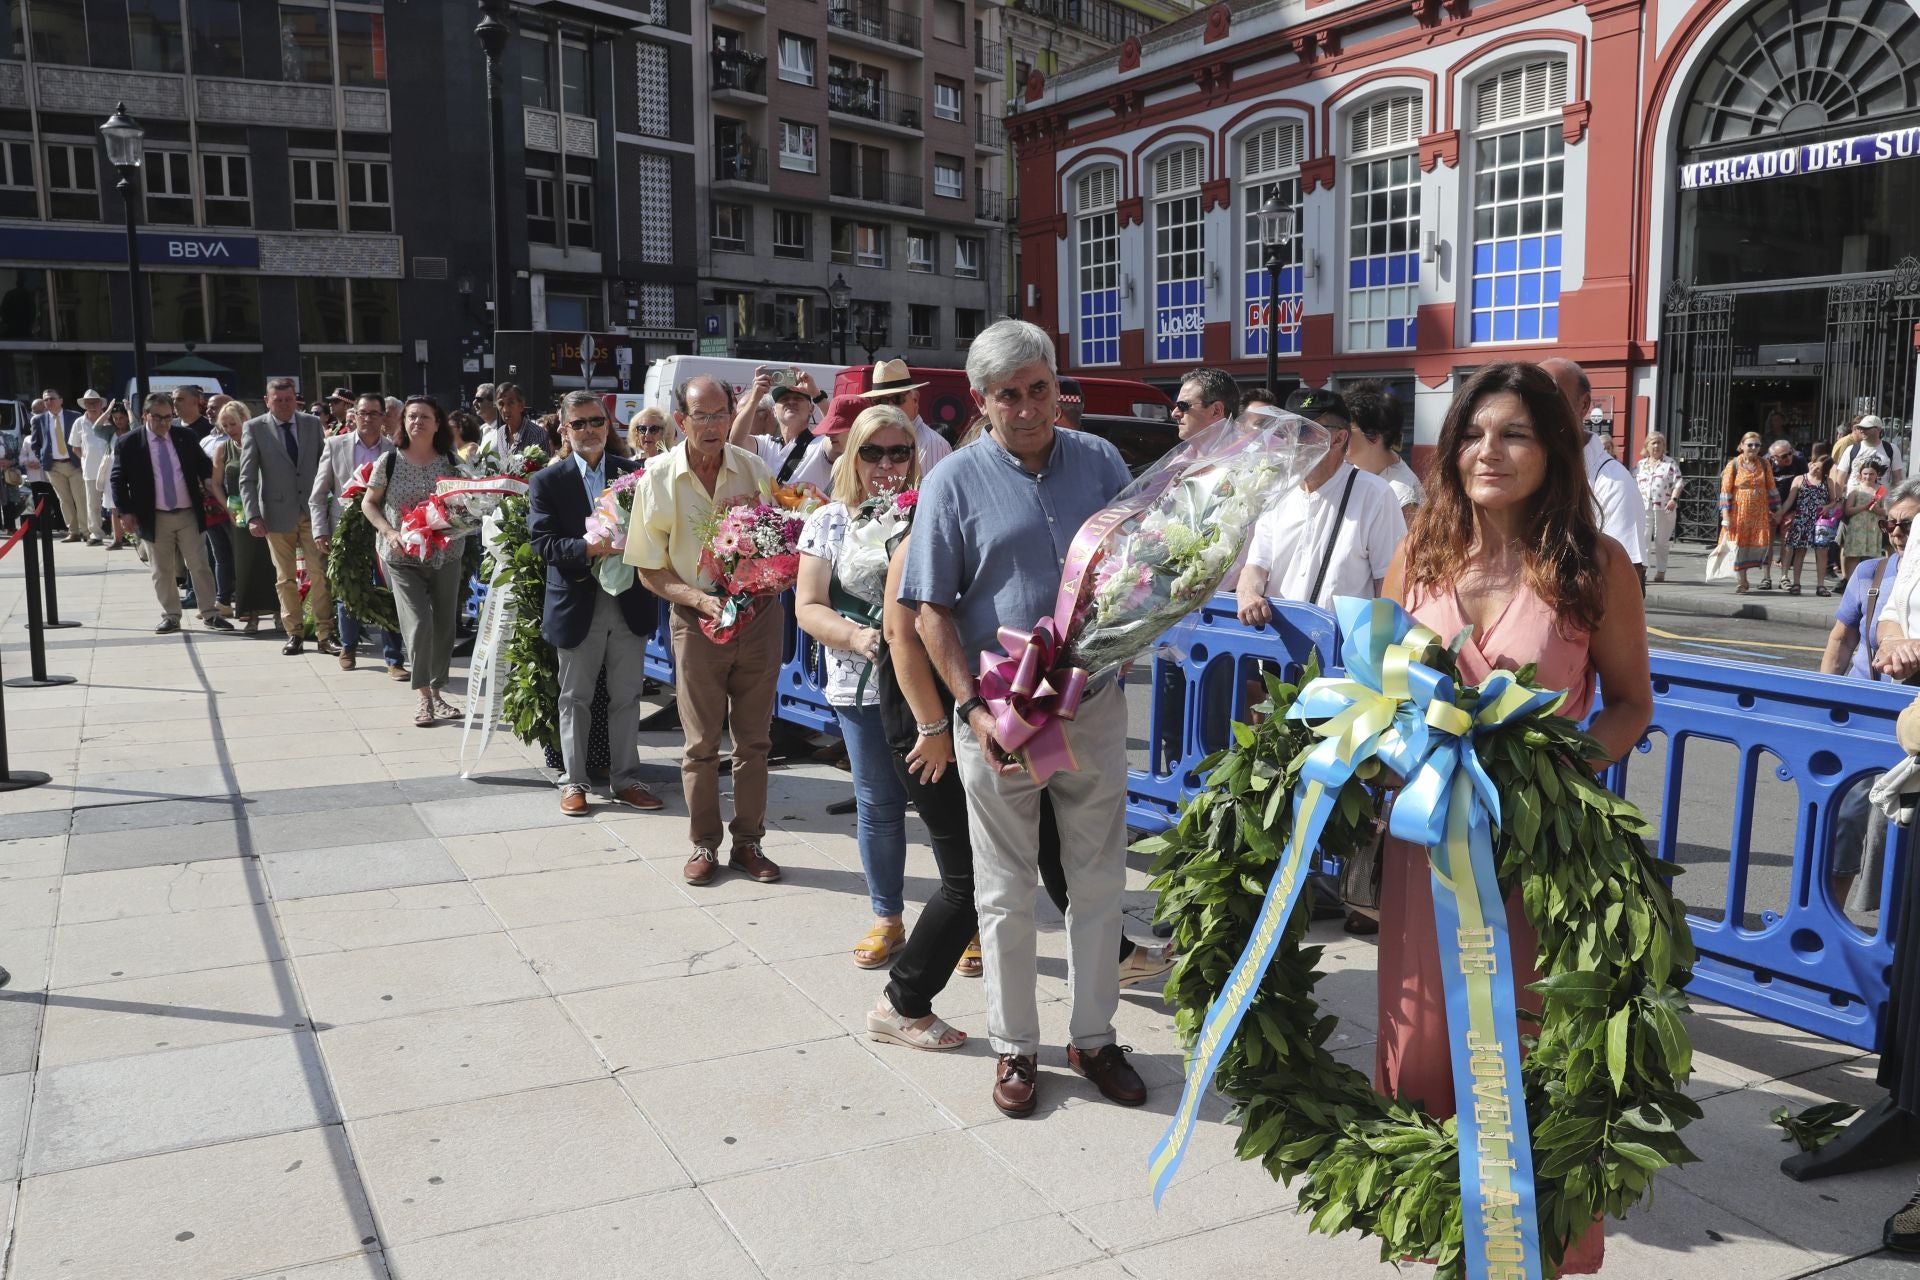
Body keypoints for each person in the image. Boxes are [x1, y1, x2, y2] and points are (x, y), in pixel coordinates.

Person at [1380, 361, 1651, 1275]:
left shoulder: (1594, 565)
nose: (1487, 452)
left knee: (1530, 1049)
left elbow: (1629, 704)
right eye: (1472, 433)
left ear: (1554, 451)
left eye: (1514, 435)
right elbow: (1376, 688)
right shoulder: (1418, 552)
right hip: (1429, 851)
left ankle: (1539, 1251)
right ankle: (1442, 1235)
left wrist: (1560, 769)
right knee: (1424, 1047)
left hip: (1541, 856)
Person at [899, 318, 1147, 1118]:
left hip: (1094, 707)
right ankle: (1014, 1048)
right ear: (982, 400)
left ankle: (1095, 1036)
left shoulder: (1103, 461)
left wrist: (1137, 632)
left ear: (1055, 384)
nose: (1030, 408)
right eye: (1010, 396)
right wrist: (967, 711)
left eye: (1041, 389)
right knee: (1003, 889)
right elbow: (931, 609)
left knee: (1099, 879)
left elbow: (1140, 569)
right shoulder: (953, 481)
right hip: (1000, 717)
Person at [625, 375, 784, 887]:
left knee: (755, 741)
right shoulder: (657, 478)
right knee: (699, 744)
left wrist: (769, 578)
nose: (714, 426)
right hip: (695, 621)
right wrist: (700, 600)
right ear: (681, 420)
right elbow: (649, 567)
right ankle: (702, 844)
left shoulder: (752, 468)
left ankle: (749, 842)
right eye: (702, 416)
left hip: (758, 617)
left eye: (721, 414)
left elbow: (777, 537)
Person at [795, 405, 922, 965]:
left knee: (955, 804)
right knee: (878, 803)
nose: (886, 464)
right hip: (862, 680)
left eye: (899, 452)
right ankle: (886, 917)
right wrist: (856, 637)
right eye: (873, 452)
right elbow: (807, 607)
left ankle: (966, 917)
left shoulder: (930, 512)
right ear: (853, 457)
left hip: (929, 680)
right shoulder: (828, 521)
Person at [528, 390, 665, 816]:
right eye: (580, 424)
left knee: (626, 697)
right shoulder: (548, 481)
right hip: (577, 602)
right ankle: (574, 780)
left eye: (597, 422)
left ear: (609, 427)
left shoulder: (635, 474)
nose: (589, 430)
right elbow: (542, 544)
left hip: (628, 601)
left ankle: (626, 779)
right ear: (565, 431)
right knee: (575, 697)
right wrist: (590, 548)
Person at [1815, 480, 1920, 913]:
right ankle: (1830, 927)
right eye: (1887, 524)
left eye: (1907, 524)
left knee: (1895, 837)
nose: (1896, 533)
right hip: (1865, 717)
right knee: (1844, 825)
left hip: (1909, 725)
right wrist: (1827, 700)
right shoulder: (1869, 574)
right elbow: (1840, 642)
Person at [1237, 386, 1406, 621]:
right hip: (1278, 646)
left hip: (1341, 649)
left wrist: (1375, 649)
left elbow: (1389, 585)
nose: (1294, 440)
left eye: (1305, 431)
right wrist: (1247, 595)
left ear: (1338, 438)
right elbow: (1255, 566)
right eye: (1288, 431)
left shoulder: (1374, 494)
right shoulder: (1278, 490)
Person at [362, 398, 467, 726]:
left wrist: (457, 520)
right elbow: (369, 503)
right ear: (403, 423)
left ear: (438, 424)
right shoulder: (389, 460)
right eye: (411, 416)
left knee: (445, 626)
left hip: (446, 555)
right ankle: (423, 697)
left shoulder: (451, 462)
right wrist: (389, 531)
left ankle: (438, 692)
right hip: (402, 556)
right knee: (420, 623)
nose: (417, 421)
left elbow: (466, 504)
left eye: (425, 416)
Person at [110, 392, 236, 635]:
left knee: (199, 564)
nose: (164, 423)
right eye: (158, 418)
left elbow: (203, 467)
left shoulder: (184, 437)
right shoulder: (129, 442)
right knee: (162, 569)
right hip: (154, 515)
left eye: (168, 417)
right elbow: (117, 479)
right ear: (145, 415)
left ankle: (210, 613)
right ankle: (171, 616)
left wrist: (213, 486)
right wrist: (125, 512)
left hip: (188, 512)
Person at [241, 377, 340, 657]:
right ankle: (294, 633)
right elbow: (247, 478)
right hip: (275, 513)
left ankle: (325, 633)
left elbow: (325, 466)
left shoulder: (310, 424)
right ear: (267, 400)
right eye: (278, 400)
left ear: (295, 399)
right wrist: (253, 515)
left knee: (320, 574)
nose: (284, 405)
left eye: (288, 400)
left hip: (312, 511)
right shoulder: (255, 428)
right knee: (285, 578)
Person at [312, 392, 405, 674]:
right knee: (347, 591)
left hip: (383, 530)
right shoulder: (335, 445)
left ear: (383, 417)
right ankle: (348, 647)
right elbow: (319, 493)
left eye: (374, 414)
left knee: (390, 590)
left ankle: (394, 659)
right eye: (362, 413)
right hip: (346, 531)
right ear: (353, 416)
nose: (367, 419)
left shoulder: (395, 450)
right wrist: (320, 530)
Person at [1541, 359, 1648, 587]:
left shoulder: (1614, 482)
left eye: (1555, 394)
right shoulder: (1524, 467)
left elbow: (1624, 578)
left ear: (1584, 404)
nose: (1542, 406)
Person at [208, 400, 280, 635]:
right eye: (225, 425)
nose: (230, 429)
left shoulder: (262, 442)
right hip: (239, 510)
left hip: (267, 506)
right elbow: (214, 482)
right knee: (245, 564)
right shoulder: (223, 448)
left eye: (234, 423)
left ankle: (281, 613)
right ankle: (251, 615)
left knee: (274, 562)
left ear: (245, 420)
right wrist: (226, 504)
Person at [1343, 379, 1423, 517]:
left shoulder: (1402, 497)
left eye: (1348, 429)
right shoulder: (1350, 469)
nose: (1340, 436)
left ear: (1374, 435)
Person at [856, 358, 955, 470]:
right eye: (880, 401)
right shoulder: (878, 442)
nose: (890, 407)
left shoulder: (931, 444)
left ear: (915, 400)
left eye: (897, 398)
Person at [731, 366, 825, 481]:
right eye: (784, 399)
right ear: (774, 411)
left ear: (811, 409)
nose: (791, 402)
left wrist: (816, 394)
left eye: (798, 398)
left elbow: (841, 433)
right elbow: (736, 441)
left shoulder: (819, 445)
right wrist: (755, 398)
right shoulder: (766, 444)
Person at [1720, 431, 1779, 593]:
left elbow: (1771, 487)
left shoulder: (1764, 464)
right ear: (1741, 446)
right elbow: (1726, 491)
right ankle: (1742, 581)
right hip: (1739, 511)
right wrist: (1725, 517)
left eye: (1757, 445)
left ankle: (1765, 577)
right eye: (1750, 444)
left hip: (1760, 512)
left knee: (1761, 544)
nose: (1754, 448)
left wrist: (1777, 510)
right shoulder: (1733, 464)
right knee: (1739, 544)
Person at [27, 388, 85, 539]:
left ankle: (86, 531)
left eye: (52, 398)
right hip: (54, 467)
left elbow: (83, 439)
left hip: (74, 464)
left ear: (61, 400)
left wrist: (82, 458)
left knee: (80, 498)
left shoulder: (75, 417)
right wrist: (43, 460)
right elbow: (35, 444)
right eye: (46, 400)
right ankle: (73, 532)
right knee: (64, 500)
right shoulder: (38, 420)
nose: (49, 402)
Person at [1778, 454, 1838, 596]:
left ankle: (1821, 585)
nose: (1814, 470)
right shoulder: (1800, 479)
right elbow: (1789, 501)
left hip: (1820, 521)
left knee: (1822, 553)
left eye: (1819, 469)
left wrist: (1827, 507)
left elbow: (1834, 500)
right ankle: (1796, 583)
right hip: (1802, 519)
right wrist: (1779, 514)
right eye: (1814, 466)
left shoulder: (1827, 482)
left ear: (1825, 471)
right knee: (1800, 551)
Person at [1633, 431, 1685, 582]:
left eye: (1659, 443)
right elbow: (1634, 483)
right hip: (1643, 508)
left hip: (1664, 507)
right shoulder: (1640, 465)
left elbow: (1679, 483)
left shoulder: (1670, 464)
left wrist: (1674, 499)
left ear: (1664, 446)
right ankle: (1643, 572)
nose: (1656, 446)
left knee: (1661, 541)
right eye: (1653, 443)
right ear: (1647, 446)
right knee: (1643, 540)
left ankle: (1661, 570)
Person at [790, 395, 862, 494]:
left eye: (838, 429)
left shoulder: (882, 463)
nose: (829, 434)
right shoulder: (838, 458)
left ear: (859, 429)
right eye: (830, 427)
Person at [69, 389, 111, 544]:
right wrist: (85, 459)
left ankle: (120, 534)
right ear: (84, 405)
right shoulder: (79, 422)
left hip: (111, 467)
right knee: (92, 504)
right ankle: (96, 534)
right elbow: (75, 447)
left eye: (95, 402)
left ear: (101, 404)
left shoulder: (109, 420)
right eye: (88, 403)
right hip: (91, 469)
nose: (92, 405)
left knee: (115, 502)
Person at [93, 400, 136, 549]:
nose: (118, 421)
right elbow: (96, 428)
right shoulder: (110, 432)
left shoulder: (133, 431)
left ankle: (136, 538)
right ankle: (117, 539)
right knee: (114, 506)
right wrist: (108, 410)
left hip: (131, 470)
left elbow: (136, 425)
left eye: (121, 418)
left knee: (133, 504)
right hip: (113, 471)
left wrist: (128, 409)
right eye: (115, 418)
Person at [1842, 458, 1889, 577]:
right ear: (1861, 474)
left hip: (1873, 529)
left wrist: (1878, 510)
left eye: (1871, 474)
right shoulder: (1856, 490)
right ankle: (1850, 582)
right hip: (1857, 528)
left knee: (1870, 558)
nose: (1868, 476)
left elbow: (1887, 511)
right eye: (1865, 473)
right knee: (1853, 556)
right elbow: (1848, 510)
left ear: (1877, 475)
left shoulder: (1882, 490)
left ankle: (1867, 583)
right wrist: (1864, 507)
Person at [1836, 414, 1905, 491]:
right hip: (1854, 500)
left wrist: (1895, 500)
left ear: (1878, 429)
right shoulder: (1851, 449)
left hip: (1880, 500)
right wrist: (1839, 499)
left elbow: (1897, 478)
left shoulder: (1891, 449)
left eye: (1866, 428)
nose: (1862, 430)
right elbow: (1840, 477)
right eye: (1860, 428)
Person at [1172, 366, 1237, 441]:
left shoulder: (1243, 452)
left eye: (1183, 405)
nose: (1174, 414)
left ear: (1216, 411)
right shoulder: (1182, 452)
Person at [484, 383, 548, 457]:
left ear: (521, 406)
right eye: (501, 404)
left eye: (510, 403)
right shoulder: (501, 433)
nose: (505, 410)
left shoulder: (537, 434)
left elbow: (544, 466)